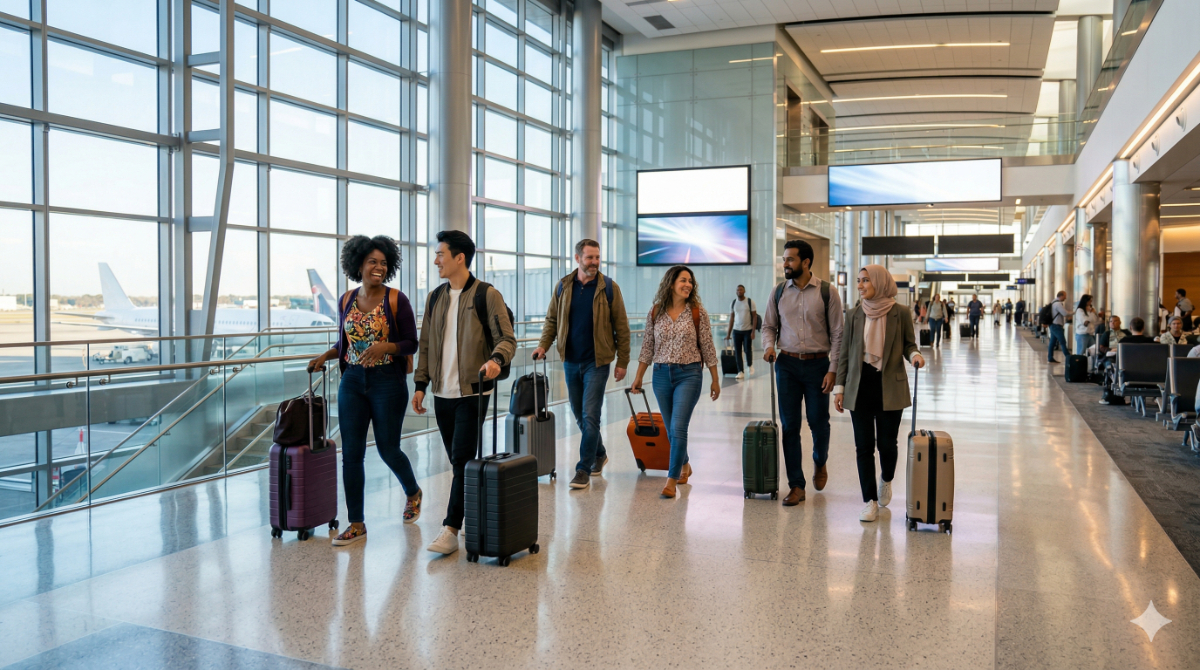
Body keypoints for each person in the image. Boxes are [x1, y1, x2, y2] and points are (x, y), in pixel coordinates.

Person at [306, 235, 421, 547]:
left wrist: (387, 346)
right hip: (353, 382)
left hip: (387, 382)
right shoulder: (346, 299)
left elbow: (412, 342)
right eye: (372, 261)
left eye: (384, 263)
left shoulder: (396, 300)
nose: (378, 267)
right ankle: (356, 523)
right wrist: (324, 357)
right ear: (359, 264)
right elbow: (344, 342)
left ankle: (413, 491)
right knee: (351, 455)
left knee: (387, 448)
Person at [412, 230, 516, 556]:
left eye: (440, 254)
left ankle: (450, 528)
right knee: (460, 462)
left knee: (460, 459)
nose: (435, 260)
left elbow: (507, 338)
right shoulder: (435, 297)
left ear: (460, 258)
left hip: (473, 392)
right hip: (442, 394)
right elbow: (426, 344)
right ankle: (468, 517)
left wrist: (497, 360)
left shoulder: (487, 294)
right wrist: (420, 385)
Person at [533, 239, 631, 490]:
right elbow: (551, 321)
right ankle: (599, 453)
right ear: (577, 258)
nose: (595, 262)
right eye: (589, 258)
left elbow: (622, 327)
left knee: (590, 414)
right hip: (570, 361)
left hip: (596, 363)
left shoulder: (609, 288)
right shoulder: (563, 287)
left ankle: (583, 468)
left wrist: (623, 361)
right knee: (579, 414)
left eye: (598, 257)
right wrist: (543, 345)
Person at [834, 265, 925, 523]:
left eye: (866, 281)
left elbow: (909, 344)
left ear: (880, 283)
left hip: (889, 385)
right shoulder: (853, 315)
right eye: (859, 281)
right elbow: (844, 353)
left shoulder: (901, 313)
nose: (860, 285)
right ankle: (869, 500)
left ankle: (886, 478)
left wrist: (915, 355)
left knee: (887, 444)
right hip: (859, 385)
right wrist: (839, 388)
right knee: (863, 446)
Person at [762, 239, 845, 506]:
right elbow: (768, 327)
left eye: (790, 259)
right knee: (790, 426)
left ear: (806, 262)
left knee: (818, 422)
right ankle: (796, 485)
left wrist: (833, 370)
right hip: (786, 364)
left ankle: (820, 461)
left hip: (818, 365)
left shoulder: (827, 293)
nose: (784, 264)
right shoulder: (778, 292)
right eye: (784, 259)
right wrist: (768, 347)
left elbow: (838, 335)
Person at [630, 265, 720, 499]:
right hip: (660, 374)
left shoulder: (697, 312)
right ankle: (686, 463)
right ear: (671, 284)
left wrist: (715, 379)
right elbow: (648, 345)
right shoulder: (656, 311)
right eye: (683, 280)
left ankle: (672, 478)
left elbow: (708, 346)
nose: (688, 284)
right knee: (671, 430)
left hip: (689, 374)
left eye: (690, 281)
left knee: (679, 427)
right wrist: (639, 376)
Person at [725, 284, 757, 380]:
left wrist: (753, 331)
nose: (739, 291)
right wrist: (728, 333)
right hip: (736, 331)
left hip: (747, 330)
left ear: (744, 291)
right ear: (736, 291)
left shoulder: (750, 302)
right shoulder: (733, 303)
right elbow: (731, 318)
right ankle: (740, 371)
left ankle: (750, 366)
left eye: (741, 290)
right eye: (738, 290)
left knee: (747, 349)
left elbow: (754, 317)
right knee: (737, 352)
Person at [1047, 291, 1070, 363]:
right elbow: (1065, 313)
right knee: (1063, 342)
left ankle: (1050, 357)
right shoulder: (1058, 304)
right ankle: (1069, 357)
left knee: (1052, 342)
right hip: (1056, 325)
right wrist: (1074, 312)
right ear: (1061, 296)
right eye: (1065, 296)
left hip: (1052, 324)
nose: (1066, 298)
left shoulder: (1053, 302)